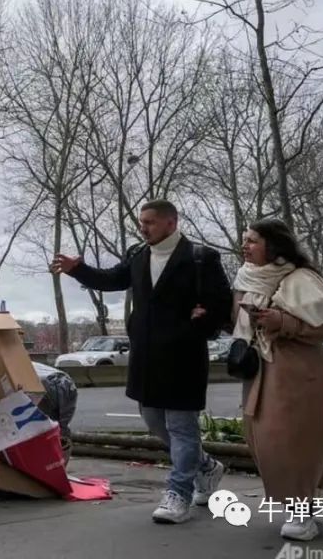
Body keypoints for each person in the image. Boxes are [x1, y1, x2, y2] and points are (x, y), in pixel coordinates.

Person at [51, 199, 233, 524]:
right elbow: (112, 280)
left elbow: (221, 304)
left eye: (149, 222)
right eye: (141, 222)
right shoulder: (138, 254)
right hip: (146, 356)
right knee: (153, 421)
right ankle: (205, 466)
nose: (143, 227)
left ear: (170, 224)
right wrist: (77, 268)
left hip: (183, 355)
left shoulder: (200, 258)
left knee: (181, 426)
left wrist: (200, 324)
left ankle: (179, 494)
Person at [233, 218, 323, 542]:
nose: (244, 246)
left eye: (252, 240)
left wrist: (282, 321)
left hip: (296, 374)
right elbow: (236, 323)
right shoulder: (246, 278)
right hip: (259, 372)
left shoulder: (301, 278)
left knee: (293, 443)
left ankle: (302, 511)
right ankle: (304, 503)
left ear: (273, 245)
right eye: (245, 240)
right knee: (263, 441)